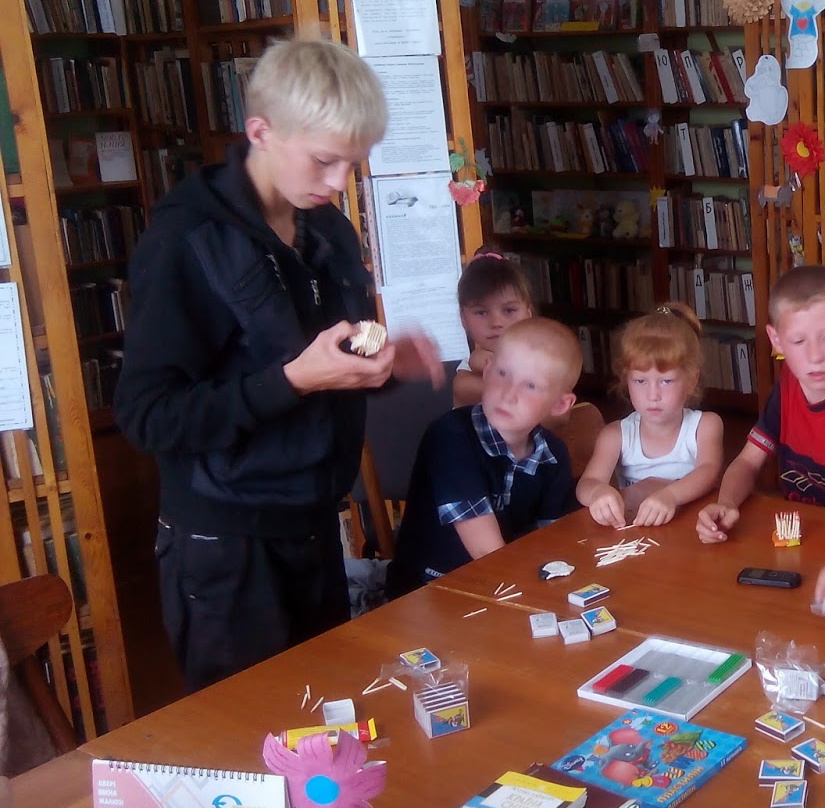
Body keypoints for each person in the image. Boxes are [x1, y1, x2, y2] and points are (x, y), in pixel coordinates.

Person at [114, 38, 441, 691]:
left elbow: (328, 365)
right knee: (251, 732)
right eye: (324, 160)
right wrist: (294, 381)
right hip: (226, 545)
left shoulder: (326, 229)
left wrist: (379, 366)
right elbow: (148, 416)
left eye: (353, 163)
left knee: (324, 717)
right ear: (260, 131)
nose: (339, 182)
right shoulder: (187, 241)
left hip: (314, 523)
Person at [696, 266, 825, 609]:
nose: (815, 356)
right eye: (799, 341)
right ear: (776, 340)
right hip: (801, 542)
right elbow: (747, 461)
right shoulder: (787, 387)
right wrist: (727, 502)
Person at [386, 318, 581, 597]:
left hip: (504, 585)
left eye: (530, 386)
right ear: (487, 371)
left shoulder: (553, 455)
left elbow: (549, 541)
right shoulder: (450, 436)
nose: (508, 393)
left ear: (561, 404)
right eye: (502, 373)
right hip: (427, 592)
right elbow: (485, 550)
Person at [576, 303, 724, 528]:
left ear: (691, 381)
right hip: (640, 534)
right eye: (640, 381)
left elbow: (709, 472)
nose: (653, 395)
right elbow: (587, 483)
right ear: (626, 380)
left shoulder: (706, 426)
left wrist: (670, 496)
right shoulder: (615, 435)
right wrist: (598, 493)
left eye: (666, 381)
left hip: (693, 530)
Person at [452, 248, 536, 408]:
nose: (496, 322)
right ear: (463, 319)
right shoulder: (466, 377)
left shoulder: (540, 356)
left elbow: (560, 414)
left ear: (528, 314)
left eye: (509, 310)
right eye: (481, 312)